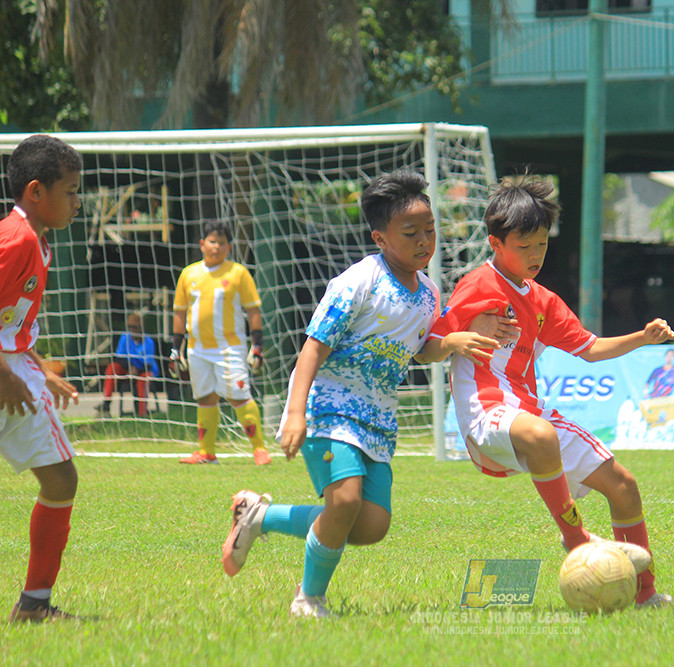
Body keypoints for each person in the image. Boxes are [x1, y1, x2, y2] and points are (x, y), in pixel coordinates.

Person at [219, 170, 508, 618]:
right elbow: (313, 348)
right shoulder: (358, 281)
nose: (424, 241)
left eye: (430, 230)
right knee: (345, 501)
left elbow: (420, 349)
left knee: (371, 525)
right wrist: (295, 413)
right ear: (380, 238)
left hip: (378, 418)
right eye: (410, 233)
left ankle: (258, 517)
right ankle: (308, 600)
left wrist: (451, 342)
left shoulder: (429, 294)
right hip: (328, 406)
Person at [424, 176, 674, 610]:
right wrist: (455, 341)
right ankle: (577, 539)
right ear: (495, 243)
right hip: (484, 413)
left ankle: (645, 595)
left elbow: (591, 349)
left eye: (543, 245)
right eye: (524, 246)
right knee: (542, 435)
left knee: (624, 486)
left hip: (530, 412)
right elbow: (427, 349)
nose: (535, 255)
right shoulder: (478, 285)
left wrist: (642, 337)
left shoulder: (544, 301)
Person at [0, 134, 83, 623]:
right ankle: (33, 604)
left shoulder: (34, 240)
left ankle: (34, 604)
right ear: (36, 191)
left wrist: (38, 368)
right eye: (70, 191)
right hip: (6, 376)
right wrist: (6, 372)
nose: (77, 202)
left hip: (16, 369)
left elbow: (9, 319)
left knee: (60, 477)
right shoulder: (16, 239)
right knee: (60, 478)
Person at [169, 221, 271, 465]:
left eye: (222, 243)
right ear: (202, 244)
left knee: (239, 396)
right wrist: (175, 348)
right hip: (197, 349)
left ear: (229, 247)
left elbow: (253, 310)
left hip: (229, 348)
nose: (216, 247)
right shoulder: (189, 274)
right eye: (212, 242)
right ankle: (207, 452)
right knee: (205, 398)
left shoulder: (238, 273)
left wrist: (257, 344)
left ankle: (259, 449)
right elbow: (179, 312)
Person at [98, 312, 160, 417]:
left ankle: (141, 413)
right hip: (128, 368)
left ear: (141, 328)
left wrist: (137, 370)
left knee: (143, 379)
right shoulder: (125, 338)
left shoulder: (148, 342)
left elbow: (148, 364)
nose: (132, 330)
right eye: (130, 327)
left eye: (134, 327)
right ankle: (106, 404)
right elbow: (119, 358)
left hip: (144, 370)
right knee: (112, 368)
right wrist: (130, 368)